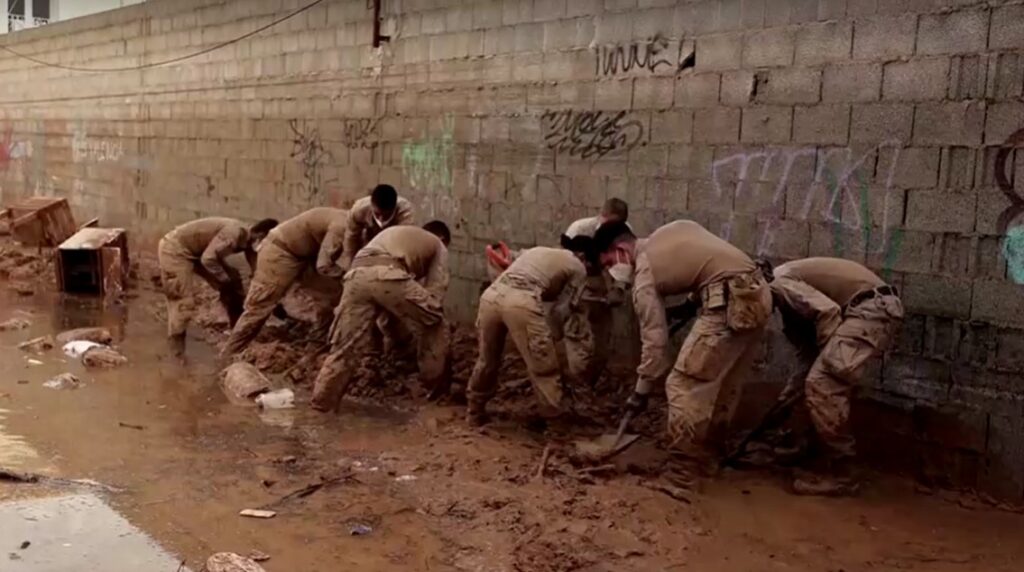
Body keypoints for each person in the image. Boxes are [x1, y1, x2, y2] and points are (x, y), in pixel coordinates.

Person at [592, 220, 772, 467]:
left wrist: (640, 391)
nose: (611, 271)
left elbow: (655, 346)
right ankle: (713, 450)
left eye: (609, 263)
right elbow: (706, 259)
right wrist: (689, 303)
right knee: (722, 382)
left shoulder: (645, 273)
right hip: (757, 293)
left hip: (730, 304)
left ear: (622, 250)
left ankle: (684, 464)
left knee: (682, 385)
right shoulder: (668, 231)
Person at [766, 257, 903, 495]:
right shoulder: (786, 299)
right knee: (813, 379)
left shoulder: (779, 283)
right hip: (869, 307)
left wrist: (828, 363)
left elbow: (828, 312)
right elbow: (805, 362)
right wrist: (781, 407)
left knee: (823, 385)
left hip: (871, 309)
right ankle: (808, 449)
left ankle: (844, 474)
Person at [310, 221, 452, 412]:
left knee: (346, 345)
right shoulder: (438, 245)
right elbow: (435, 294)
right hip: (387, 272)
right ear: (443, 238)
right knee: (434, 320)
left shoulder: (400, 236)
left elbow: (385, 295)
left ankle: (322, 404)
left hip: (355, 276)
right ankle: (434, 388)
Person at [466, 238, 595, 426]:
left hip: (491, 297)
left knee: (487, 360)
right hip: (521, 301)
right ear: (583, 257)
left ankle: (474, 411)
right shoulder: (578, 266)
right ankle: (556, 425)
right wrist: (553, 343)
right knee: (544, 367)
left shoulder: (538, 251)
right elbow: (561, 311)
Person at [222, 207, 348, 357]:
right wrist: (347, 276)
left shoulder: (360, 226)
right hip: (280, 251)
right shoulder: (342, 225)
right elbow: (324, 264)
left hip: (306, 257)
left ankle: (315, 347)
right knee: (260, 307)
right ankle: (230, 354)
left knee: (330, 296)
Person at [158, 217, 278, 355]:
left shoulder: (248, 241)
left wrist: (271, 298)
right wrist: (224, 280)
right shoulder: (235, 234)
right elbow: (208, 259)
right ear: (261, 235)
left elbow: (257, 272)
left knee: (234, 281)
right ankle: (176, 351)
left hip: (197, 252)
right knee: (183, 303)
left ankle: (236, 329)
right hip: (175, 250)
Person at [561, 198, 630, 385]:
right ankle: (577, 382)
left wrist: (619, 288)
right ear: (601, 216)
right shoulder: (579, 230)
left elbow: (624, 263)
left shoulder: (624, 233)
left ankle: (589, 382)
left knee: (602, 344)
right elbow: (566, 264)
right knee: (577, 337)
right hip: (579, 288)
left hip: (603, 290)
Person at [340, 184, 415, 271]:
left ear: (394, 208)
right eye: (377, 214)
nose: (381, 219)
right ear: (371, 205)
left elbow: (404, 246)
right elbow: (351, 239)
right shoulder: (359, 210)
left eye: (386, 215)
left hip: (394, 240)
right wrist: (350, 266)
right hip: (369, 235)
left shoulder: (406, 214)